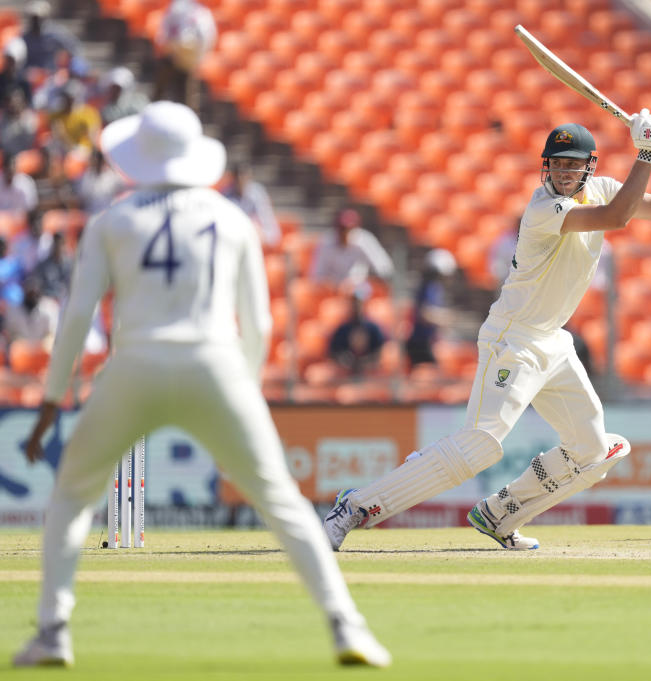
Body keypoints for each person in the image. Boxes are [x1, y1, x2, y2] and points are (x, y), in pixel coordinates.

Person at [12, 101, 390, 668]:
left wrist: (47, 405)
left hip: (133, 365)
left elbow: (75, 319)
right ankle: (346, 626)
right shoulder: (230, 218)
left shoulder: (112, 220)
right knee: (283, 502)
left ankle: (52, 631)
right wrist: (248, 388)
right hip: (214, 364)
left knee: (70, 496)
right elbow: (258, 323)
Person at [323, 110, 651, 550]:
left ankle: (501, 513)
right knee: (479, 446)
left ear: (589, 166)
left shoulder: (604, 188)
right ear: (546, 166)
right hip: (512, 340)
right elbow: (616, 218)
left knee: (593, 451)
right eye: (557, 164)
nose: (565, 172)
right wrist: (647, 152)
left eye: (573, 164)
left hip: (552, 341)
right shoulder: (543, 208)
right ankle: (355, 507)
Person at [310, 207, 394, 292]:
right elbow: (316, 276)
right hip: (333, 291)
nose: (345, 232)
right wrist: (333, 285)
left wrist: (362, 281)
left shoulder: (364, 240)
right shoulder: (326, 242)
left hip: (360, 289)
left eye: (349, 229)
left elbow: (384, 268)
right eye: (342, 229)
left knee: (363, 293)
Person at [154, 0, 217, 109]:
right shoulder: (178, 6)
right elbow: (166, 25)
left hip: (189, 63)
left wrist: (195, 56)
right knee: (159, 92)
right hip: (171, 56)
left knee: (187, 100)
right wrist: (167, 43)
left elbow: (208, 38)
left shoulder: (204, 14)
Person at [405, 247, 456, 366]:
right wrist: (443, 318)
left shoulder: (435, 289)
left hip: (428, 342)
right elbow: (424, 314)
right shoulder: (428, 287)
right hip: (420, 344)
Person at [329, 286, 386, 376]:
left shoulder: (373, 328)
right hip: (346, 373)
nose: (355, 306)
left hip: (370, 373)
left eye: (358, 302)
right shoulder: (342, 329)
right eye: (353, 302)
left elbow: (380, 352)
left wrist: (367, 361)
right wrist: (344, 360)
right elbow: (334, 353)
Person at [222, 163, 281, 247]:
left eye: (244, 177)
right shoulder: (225, 196)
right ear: (233, 179)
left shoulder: (257, 194)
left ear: (249, 178)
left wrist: (258, 233)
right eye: (238, 178)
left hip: (255, 241)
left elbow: (272, 232)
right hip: (232, 241)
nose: (241, 181)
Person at [20, 0, 79, 72]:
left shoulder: (56, 33)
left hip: (51, 75)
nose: (35, 21)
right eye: (33, 18)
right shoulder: (24, 37)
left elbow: (74, 47)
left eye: (37, 18)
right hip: (29, 76)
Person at [3, 275, 59, 351]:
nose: (32, 296)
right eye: (30, 293)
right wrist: (19, 343)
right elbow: (10, 334)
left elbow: (52, 334)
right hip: (21, 354)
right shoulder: (13, 310)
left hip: (42, 352)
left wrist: (42, 344)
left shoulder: (49, 308)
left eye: (34, 293)